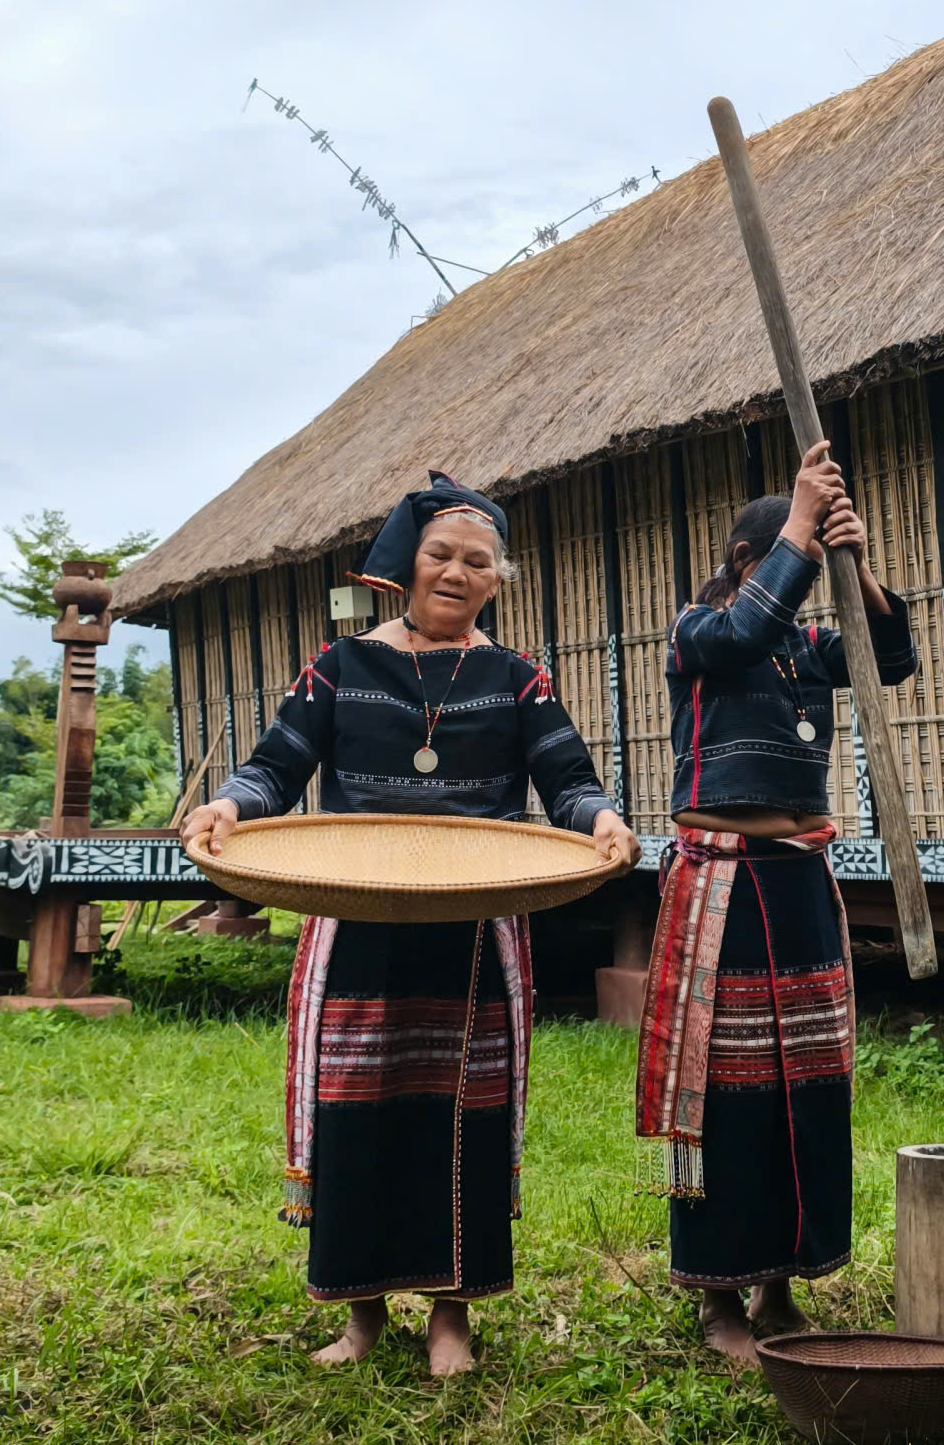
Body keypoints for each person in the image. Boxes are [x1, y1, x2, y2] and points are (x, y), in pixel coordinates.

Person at [183, 473, 637, 1379]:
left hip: (471, 928)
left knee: (460, 1112)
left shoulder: (518, 679)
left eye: (477, 562)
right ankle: (359, 1314)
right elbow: (278, 763)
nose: (456, 573)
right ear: (409, 564)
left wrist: (602, 821)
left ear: (496, 580)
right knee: (358, 1108)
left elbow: (568, 778)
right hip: (357, 921)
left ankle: (451, 1316)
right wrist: (231, 804)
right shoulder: (341, 667)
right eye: (441, 555)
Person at [635, 441, 918, 1367]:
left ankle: (780, 1281)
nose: (799, 583)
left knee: (803, 1081)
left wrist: (858, 565)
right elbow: (747, 630)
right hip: (720, 880)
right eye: (789, 557)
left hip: (797, 878)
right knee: (723, 1089)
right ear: (753, 564)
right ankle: (718, 1295)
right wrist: (802, 522)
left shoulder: (807, 648)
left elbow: (892, 659)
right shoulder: (699, 630)